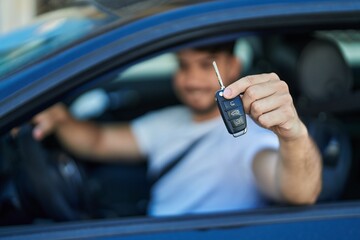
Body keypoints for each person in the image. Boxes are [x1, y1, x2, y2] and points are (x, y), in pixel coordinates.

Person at [32, 42, 322, 217]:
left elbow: (299, 193)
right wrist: (60, 119)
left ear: (234, 66)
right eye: (183, 66)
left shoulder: (253, 137)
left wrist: (293, 135)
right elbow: (98, 141)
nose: (192, 80)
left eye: (204, 66)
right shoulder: (169, 120)